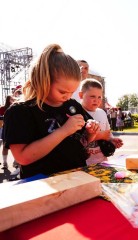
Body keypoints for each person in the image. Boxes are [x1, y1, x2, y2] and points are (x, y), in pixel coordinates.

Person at [3, 44, 100, 179]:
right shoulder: (20, 111)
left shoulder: (72, 105)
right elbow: (22, 157)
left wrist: (90, 133)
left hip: (78, 178)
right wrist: (64, 130)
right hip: (42, 186)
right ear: (43, 80)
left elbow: (82, 142)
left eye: (72, 92)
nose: (67, 96)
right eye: (62, 91)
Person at [79, 78, 123, 165]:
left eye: (99, 97)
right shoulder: (77, 113)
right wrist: (99, 135)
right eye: (92, 96)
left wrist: (112, 140)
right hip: (84, 164)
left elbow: (107, 133)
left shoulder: (102, 112)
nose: (97, 100)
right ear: (81, 95)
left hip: (102, 161)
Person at [0, 95, 14, 169]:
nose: (13, 99)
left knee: (15, 146)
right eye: (12, 99)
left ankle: (17, 162)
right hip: (5, 129)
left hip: (15, 129)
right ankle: (5, 163)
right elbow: (1, 117)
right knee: (5, 147)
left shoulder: (17, 107)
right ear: (8, 100)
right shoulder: (3, 108)